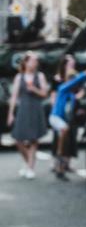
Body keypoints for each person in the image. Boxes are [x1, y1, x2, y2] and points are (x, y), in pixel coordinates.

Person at [7, 51, 49, 179]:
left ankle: (30, 167)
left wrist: (34, 89)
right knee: (18, 139)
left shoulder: (40, 76)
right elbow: (14, 96)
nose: (35, 63)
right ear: (25, 62)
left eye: (36, 61)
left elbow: (44, 93)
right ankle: (27, 162)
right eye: (32, 60)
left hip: (36, 108)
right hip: (24, 109)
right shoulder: (19, 77)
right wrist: (11, 113)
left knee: (34, 139)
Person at [49, 67, 86, 179]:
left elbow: (72, 108)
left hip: (63, 121)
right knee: (65, 129)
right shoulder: (62, 89)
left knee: (66, 140)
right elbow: (77, 81)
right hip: (55, 118)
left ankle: (60, 166)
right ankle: (59, 155)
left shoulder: (72, 96)